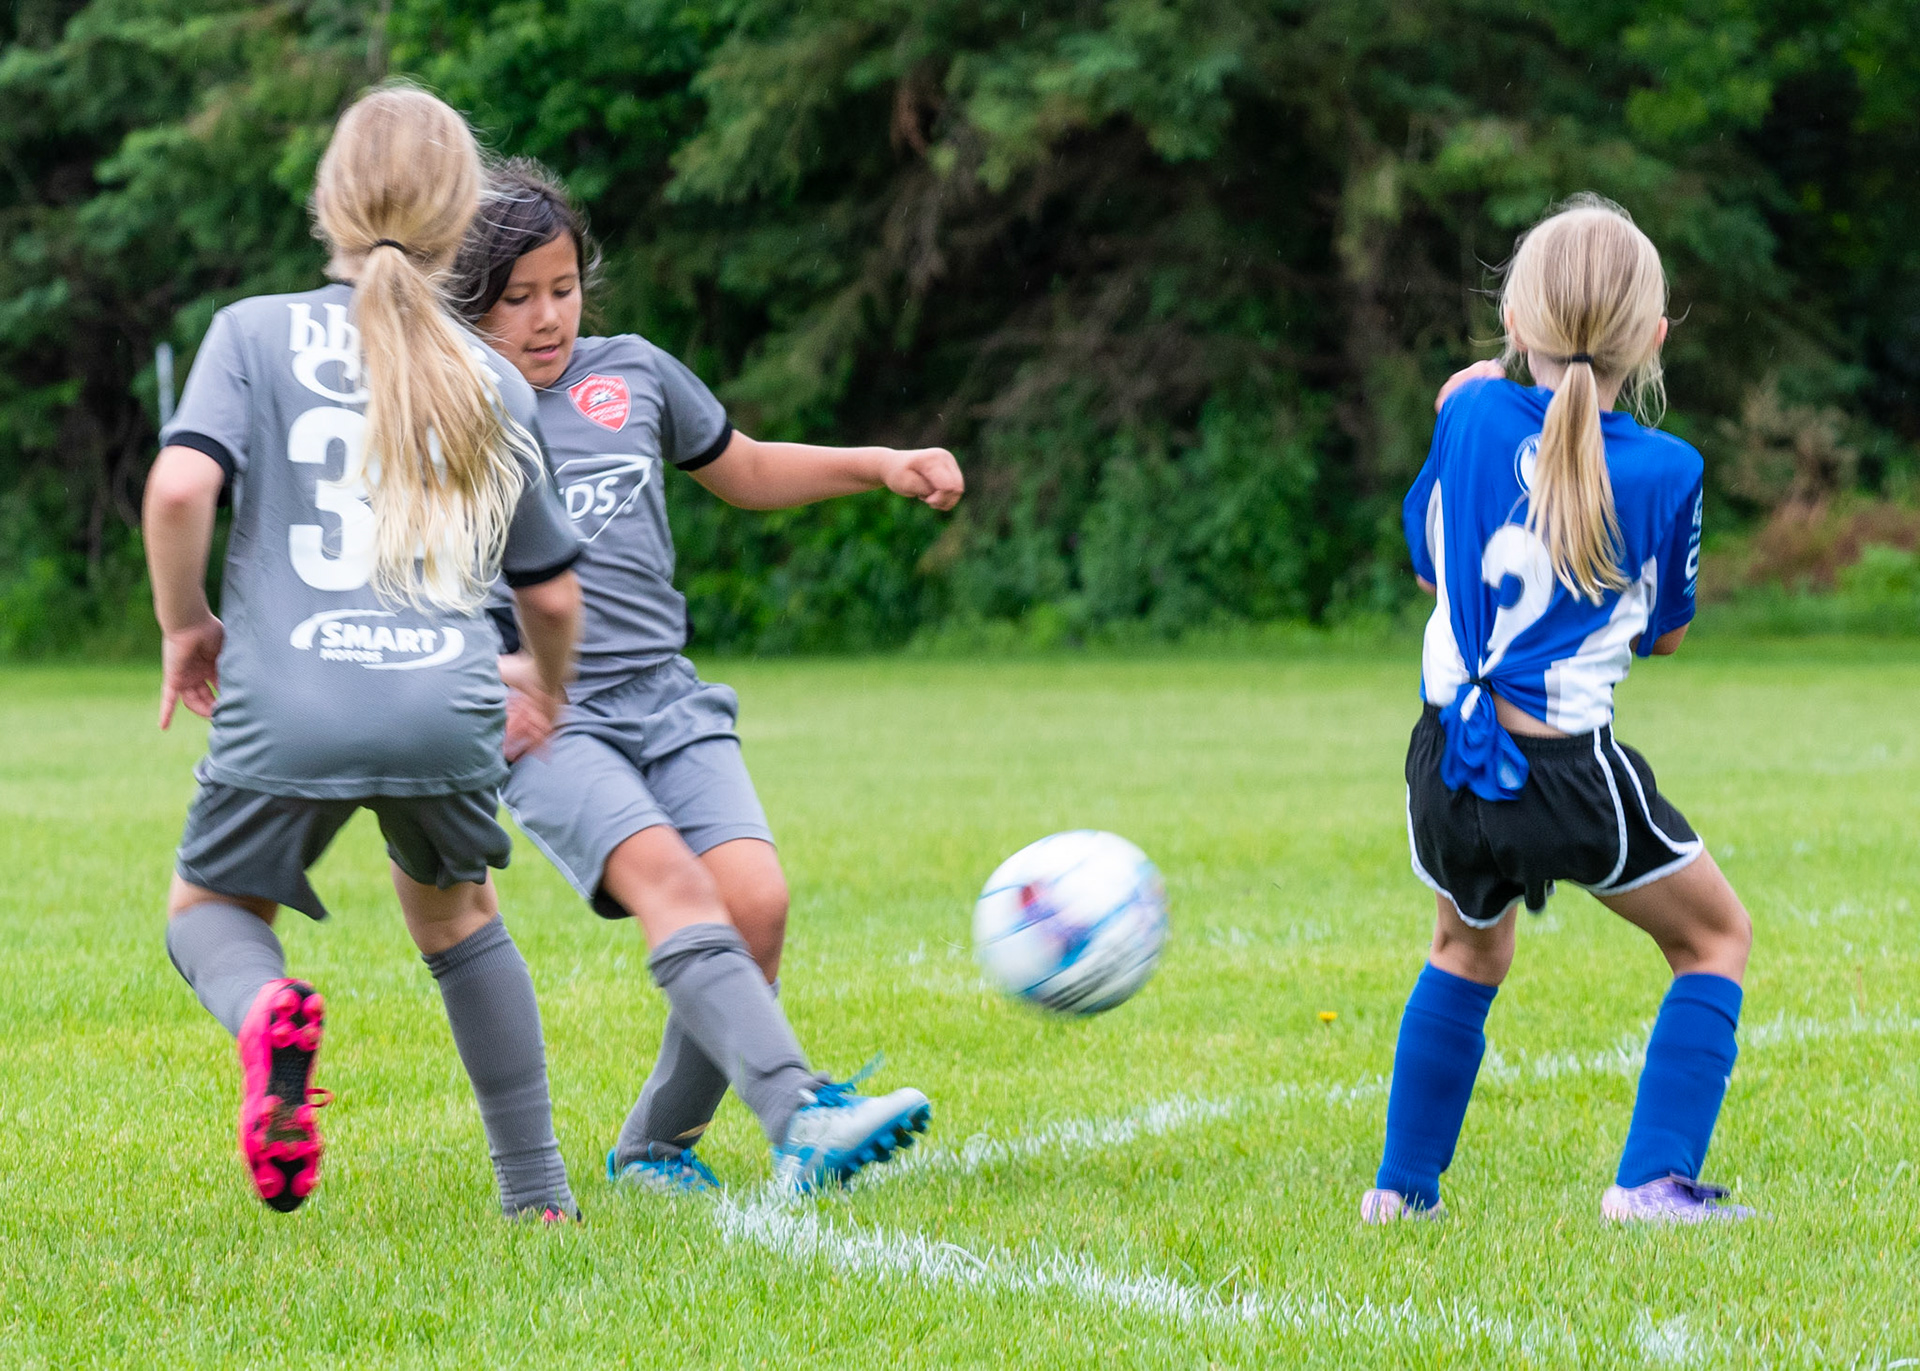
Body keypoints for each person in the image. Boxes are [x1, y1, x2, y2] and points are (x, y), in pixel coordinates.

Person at [449, 160, 962, 1193]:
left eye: (563, 287)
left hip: (669, 699)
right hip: (549, 721)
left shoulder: (634, 372)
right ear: (464, 308)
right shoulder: (452, 418)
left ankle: (655, 1146)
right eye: (517, 299)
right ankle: (798, 1109)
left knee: (755, 903)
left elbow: (746, 466)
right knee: (675, 888)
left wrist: (879, 462)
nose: (547, 318)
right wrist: (483, 669)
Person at [146, 88, 587, 1220]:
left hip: (287, 696)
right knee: (458, 920)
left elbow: (182, 484)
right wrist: (543, 684)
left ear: (327, 205)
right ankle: (536, 1195)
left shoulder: (251, 330)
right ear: (461, 222)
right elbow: (551, 590)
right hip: (443, 708)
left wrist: (186, 626)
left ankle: (266, 1017)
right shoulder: (488, 376)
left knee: (210, 913)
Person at [1363, 195, 1754, 1225]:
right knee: (1714, 939)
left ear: (1515, 323)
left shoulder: (1468, 414)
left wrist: (1473, 392)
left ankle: (1400, 1194)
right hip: (1564, 774)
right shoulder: (1669, 469)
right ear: (1657, 337)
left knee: (1464, 951)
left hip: (1445, 757)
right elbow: (1664, 635)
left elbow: (1428, 564)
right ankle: (1652, 1184)